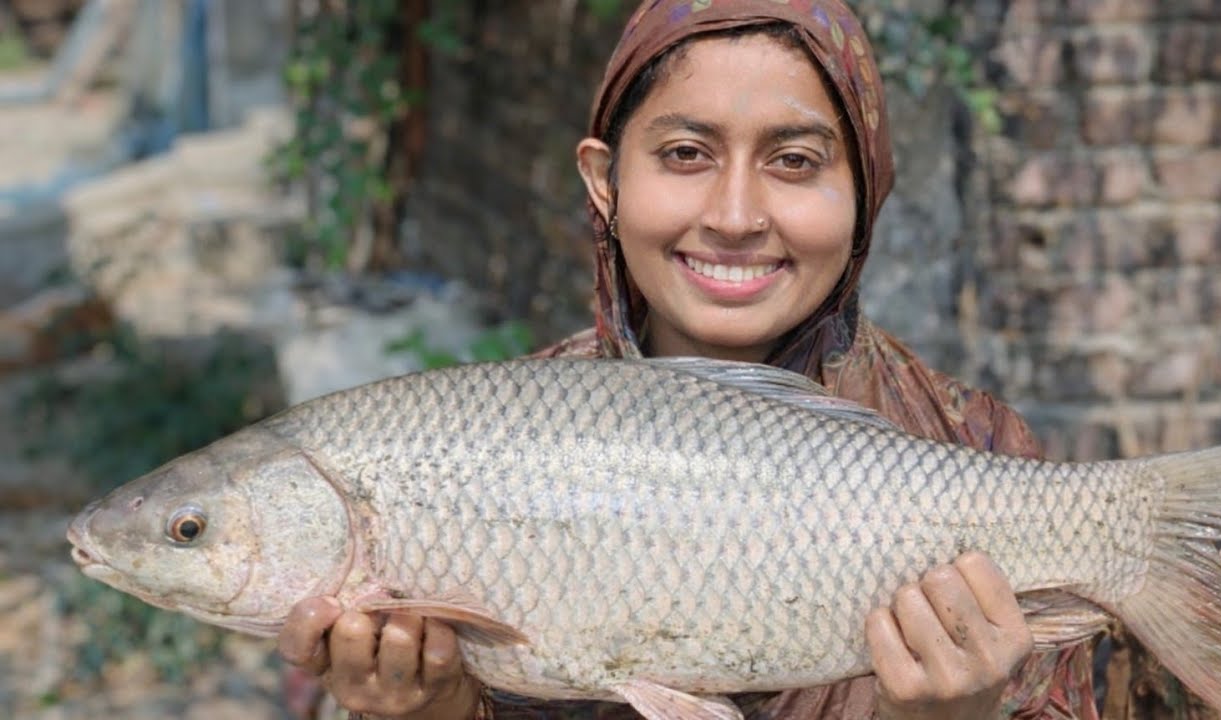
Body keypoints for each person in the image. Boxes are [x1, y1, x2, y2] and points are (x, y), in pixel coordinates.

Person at [276, 1, 1100, 718]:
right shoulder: (492, 432)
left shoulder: (978, 449)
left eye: (795, 162)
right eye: (684, 154)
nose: (735, 215)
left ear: (867, 190)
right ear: (605, 182)